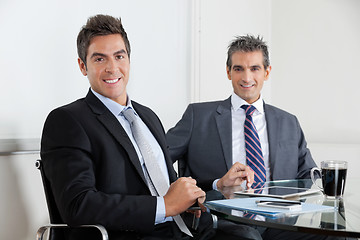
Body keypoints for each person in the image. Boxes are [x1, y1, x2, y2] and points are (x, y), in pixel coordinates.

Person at [40, 14, 244, 240]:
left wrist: (214, 185)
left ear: (128, 59)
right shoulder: (68, 120)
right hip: (133, 234)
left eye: (119, 56)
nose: (112, 67)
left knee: (248, 236)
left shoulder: (147, 116)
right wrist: (164, 207)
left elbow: (166, 183)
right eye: (99, 59)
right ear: (82, 66)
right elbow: (79, 205)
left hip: (183, 230)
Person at [166, 35, 341, 240]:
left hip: (281, 222)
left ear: (267, 72)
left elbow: (308, 175)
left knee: (336, 235)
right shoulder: (198, 116)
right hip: (222, 221)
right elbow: (157, 163)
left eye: (255, 69)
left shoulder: (288, 122)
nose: (246, 78)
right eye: (239, 69)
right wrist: (212, 186)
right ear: (228, 72)